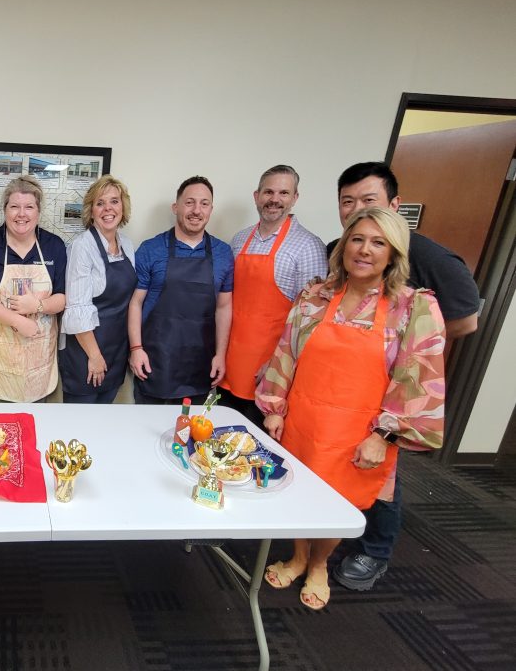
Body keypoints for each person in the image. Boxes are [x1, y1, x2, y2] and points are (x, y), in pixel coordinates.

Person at [256, 206, 446, 610]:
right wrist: (274, 406)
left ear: (393, 254)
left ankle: (320, 562)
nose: (364, 250)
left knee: (338, 503)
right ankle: (299, 557)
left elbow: (417, 379)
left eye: (378, 243)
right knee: (300, 493)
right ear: (344, 246)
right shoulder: (315, 296)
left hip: (361, 433)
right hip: (304, 420)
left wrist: (383, 436)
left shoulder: (413, 308)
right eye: (357, 239)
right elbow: (286, 352)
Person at [327, 161, 480, 592]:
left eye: (369, 200)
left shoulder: (429, 257)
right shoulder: (338, 250)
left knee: (382, 470)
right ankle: (328, 536)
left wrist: (406, 345)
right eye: (348, 202)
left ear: (394, 204)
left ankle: (374, 551)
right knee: (341, 460)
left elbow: (466, 321)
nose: (356, 209)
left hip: (391, 383)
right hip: (340, 380)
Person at [221, 165, 327, 424]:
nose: (275, 199)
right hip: (230, 364)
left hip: (270, 371)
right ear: (257, 196)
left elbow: (310, 321)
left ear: (295, 198)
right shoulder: (239, 239)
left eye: (283, 192)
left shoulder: (308, 246)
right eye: (268, 192)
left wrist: (278, 366)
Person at [127, 176, 233, 405]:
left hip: (200, 364)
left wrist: (221, 355)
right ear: (176, 207)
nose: (196, 210)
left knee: (189, 435)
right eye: (189, 202)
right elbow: (135, 303)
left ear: (211, 209)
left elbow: (224, 307)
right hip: (155, 361)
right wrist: (136, 348)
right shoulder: (151, 249)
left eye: (204, 204)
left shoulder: (223, 253)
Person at [0, 175, 67, 402]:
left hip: (40, 360)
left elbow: (62, 298)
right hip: (0, 360)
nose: (21, 214)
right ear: (5, 210)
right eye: (14, 206)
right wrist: (18, 321)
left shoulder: (54, 246)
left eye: (29, 207)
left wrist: (38, 305)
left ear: (38, 212)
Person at [59, 175, 136, 404]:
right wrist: (94, 356)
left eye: (114, 201)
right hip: (85, 353)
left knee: (104, 420)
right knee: (79, 427)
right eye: (100, 203)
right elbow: (76, 307)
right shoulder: (81, 247)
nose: (107, 209)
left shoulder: (128, 246)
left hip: (116, 349)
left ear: (123, 207)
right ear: (91, 211)